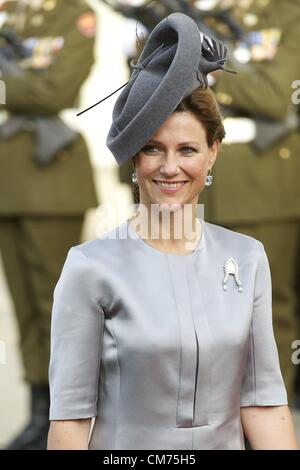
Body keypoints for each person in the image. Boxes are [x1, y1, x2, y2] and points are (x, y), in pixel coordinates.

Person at [47, 13, 298, 450]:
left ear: (213, 153)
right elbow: (70, 420)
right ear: (133, 157)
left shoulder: (249, 257)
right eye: (152, 149)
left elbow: (263, 405)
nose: (169, 167)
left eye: (187, 149)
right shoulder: (89, 267)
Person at [0, 0, 98, 449]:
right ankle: (40, 412)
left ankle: (67, 418)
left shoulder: (75, 15)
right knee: (26, 310)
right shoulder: (11, 14)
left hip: (51, 177)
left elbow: (56, 91)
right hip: (10, 179)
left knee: (57, 308)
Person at [197, 0, 300, 405]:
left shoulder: (287, 14)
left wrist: (212, 72)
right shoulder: (198, 14)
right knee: (201, 306)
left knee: (265, 308)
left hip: (261, 184)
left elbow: (275, 97)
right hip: (199, 182)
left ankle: (266, 411)